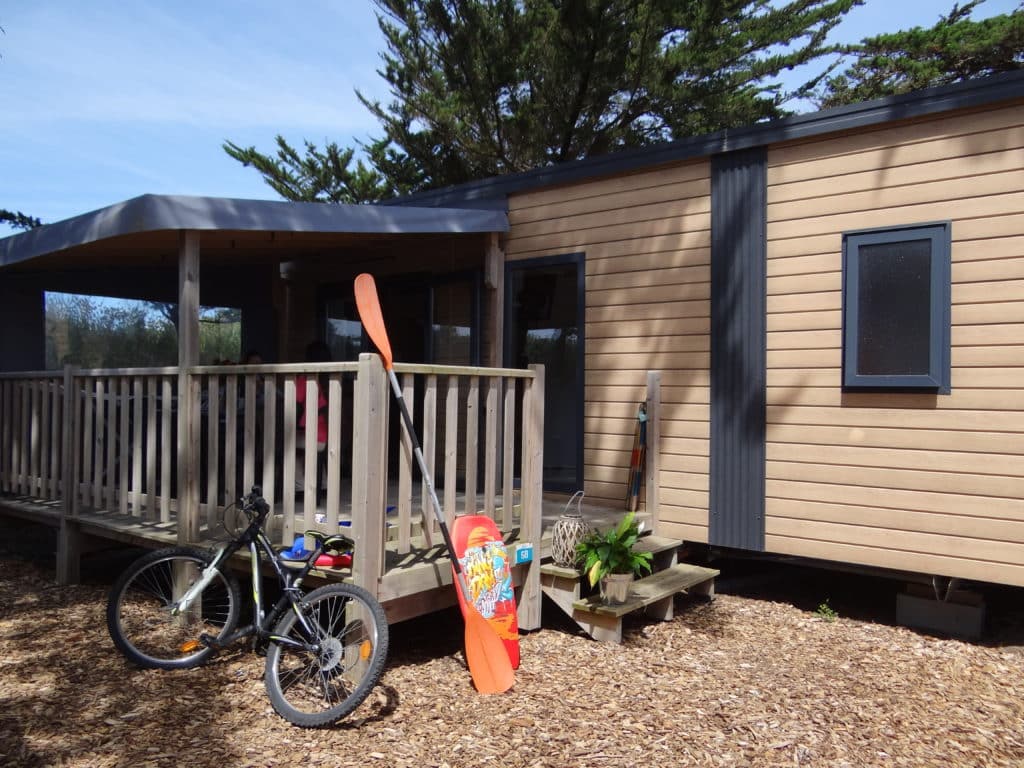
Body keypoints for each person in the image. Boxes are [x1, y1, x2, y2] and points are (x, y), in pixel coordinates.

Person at [295, 340, 329, 496]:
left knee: (284, 443)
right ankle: (323, 484)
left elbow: (294, 405)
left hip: (314, 436)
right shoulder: (331, 379)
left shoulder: (306, 378)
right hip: (326, 435)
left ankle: (299, 486)